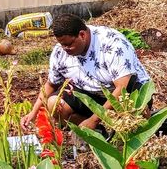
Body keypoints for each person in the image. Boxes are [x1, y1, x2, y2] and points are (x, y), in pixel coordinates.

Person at [20, 13, 152, 131]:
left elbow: (122, 87)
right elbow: (51, 85)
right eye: (62, 44)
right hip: (92, 95)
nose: (65, 49)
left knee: (136, 118)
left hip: (126, 94)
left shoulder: (112, 44)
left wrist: (94, 120)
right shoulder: (60, 52)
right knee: (54, 104)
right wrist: (33, 113)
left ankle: (108, 126)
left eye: (69, 44)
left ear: (82, 35)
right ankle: (101, 128)